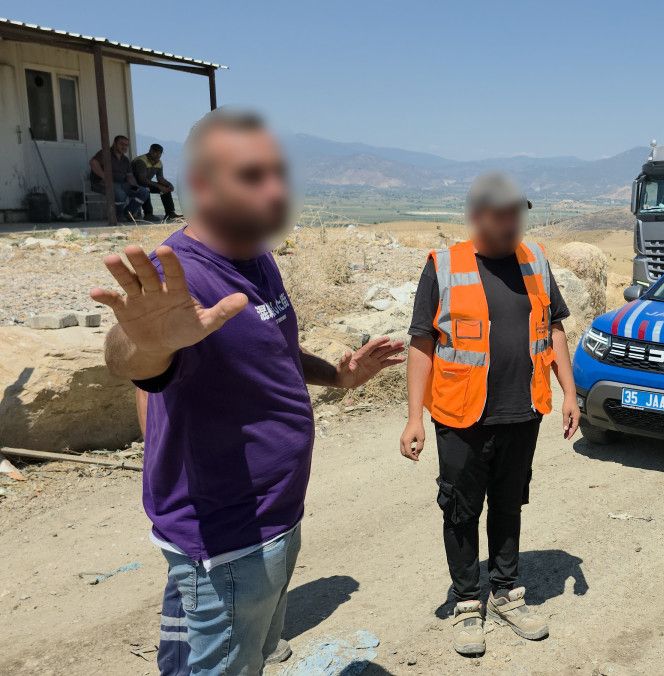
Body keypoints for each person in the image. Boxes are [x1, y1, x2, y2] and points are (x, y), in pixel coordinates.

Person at [90, 108, 406, 675]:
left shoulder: (254, 258)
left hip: (270, 516)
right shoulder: (181, 276)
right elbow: (134, 359)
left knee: (198, 659)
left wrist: (340, 376)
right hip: (228, 536)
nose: (274, 190)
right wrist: (142, 344)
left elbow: (274, 354)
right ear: (205, 186)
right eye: (252, 176)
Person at [400, 171, 580, 658]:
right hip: (460, 416)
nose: (510, 223)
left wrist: (569, 393)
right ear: (478, 216)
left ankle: (505, 592)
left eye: (516, 212)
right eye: (500, 214)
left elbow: (555, 329)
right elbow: (422, 343)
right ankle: (465, 601)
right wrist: (414, 417)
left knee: (507, 503)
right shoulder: (444, 265)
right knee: (460, 509)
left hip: (522, 411)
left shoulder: (536, 260)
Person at [90, 135, 151, 222]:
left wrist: (135, 187)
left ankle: (128, 213)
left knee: (143, 192)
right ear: (114, 144)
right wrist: (105, 177)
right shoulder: (106, 153)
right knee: (119, 192)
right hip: (102, 183)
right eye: (122, 144)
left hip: (122, 184)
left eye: (126, 145)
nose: (124, 147)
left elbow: (130, 176)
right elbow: (93, 163)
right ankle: (118, 215)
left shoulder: (125, 160)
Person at [134, 143, 183, 220]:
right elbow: (142, 179)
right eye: (155, 152)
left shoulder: (159, 163)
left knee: (166, 188)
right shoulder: (141, 161)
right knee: (146, 188)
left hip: (146, 183)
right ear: (150, 151)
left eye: (159, 153)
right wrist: (159, 186)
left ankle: (170, 213)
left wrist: (169, 184)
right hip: (135, 184)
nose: (157, 155)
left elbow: (160, 178)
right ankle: (148, 214)